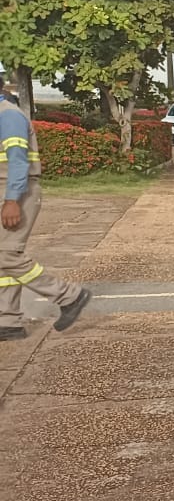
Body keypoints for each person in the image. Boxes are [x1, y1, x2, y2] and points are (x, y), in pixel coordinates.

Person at [0, 95, 92, 340]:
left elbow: (18, 161)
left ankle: (70, 296)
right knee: (4, 258)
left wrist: (11, 201)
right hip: (9, 191)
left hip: (16, 192)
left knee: (6, 254)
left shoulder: (7, 115)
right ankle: (7, 321)